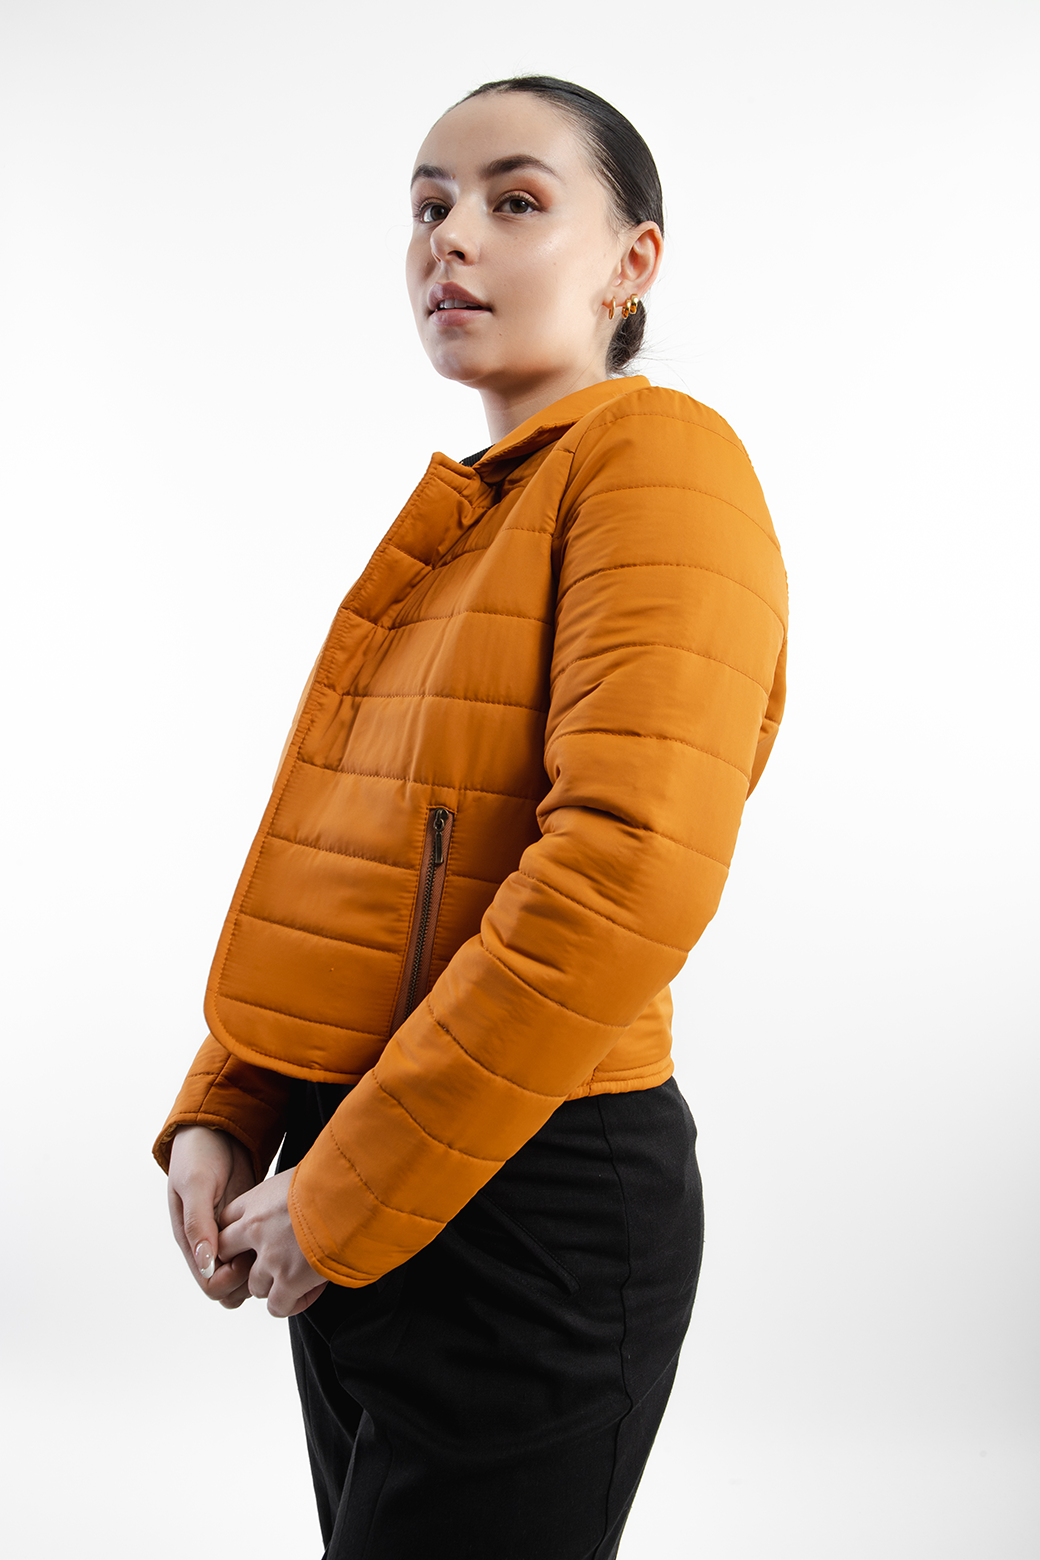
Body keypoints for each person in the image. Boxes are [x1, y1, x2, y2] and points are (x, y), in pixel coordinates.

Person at [156, 75, 788, 1560]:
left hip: (526, 1196)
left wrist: (348, 1183)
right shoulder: (484, 507)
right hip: (365, 1169)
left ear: (633, 261)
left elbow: (624, 873)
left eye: (515, 201)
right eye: (429, 206)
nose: (451, 237)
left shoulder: (661, 463)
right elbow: (353, 863)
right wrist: (236, 1100)